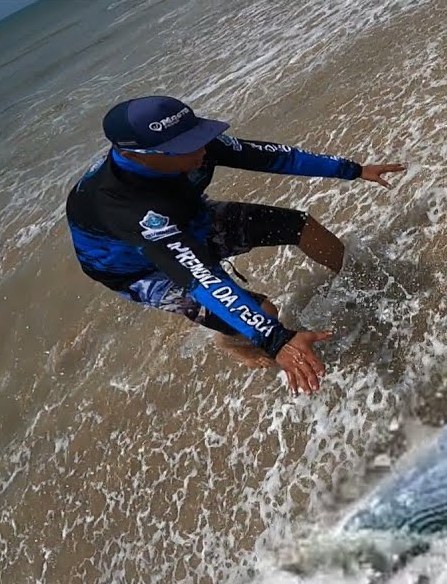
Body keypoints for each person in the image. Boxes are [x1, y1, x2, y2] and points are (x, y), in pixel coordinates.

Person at [64, 95, 405, 395]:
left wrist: (353, 170)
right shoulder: (125, 208)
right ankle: (234, 344)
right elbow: (199, 276)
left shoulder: (189, 146)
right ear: (141, 155)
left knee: (299, 225)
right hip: (141, 268)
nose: (201, 149)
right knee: (264, 313)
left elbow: (272, 157)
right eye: (187, 146)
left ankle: (361, 279)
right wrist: (276, 340)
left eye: (197, 136)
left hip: (187, 218)